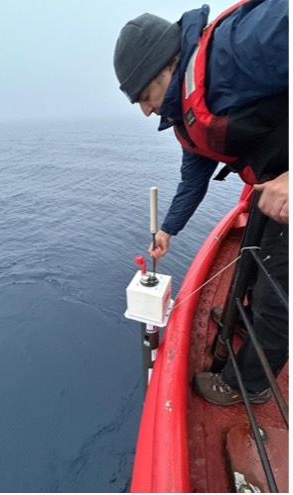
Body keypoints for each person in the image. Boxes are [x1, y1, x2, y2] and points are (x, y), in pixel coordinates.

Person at [113, 0, 288, 405]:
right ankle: (239, 325)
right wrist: (168, 229)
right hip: (271, 187)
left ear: (168, 65)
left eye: (144, 94)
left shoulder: (241, 43)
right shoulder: (187, 112)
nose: (144, 111)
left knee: (277, 296)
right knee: (252, 256)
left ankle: (250, 385)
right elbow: (194, 180)